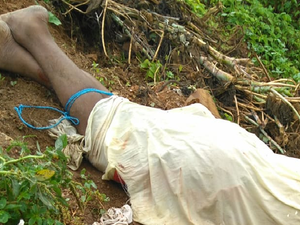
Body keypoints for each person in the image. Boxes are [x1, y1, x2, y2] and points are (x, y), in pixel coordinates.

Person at [1, 5, 300, 225]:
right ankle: (34, 32)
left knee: (121, 115)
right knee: (110, 131)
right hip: (217, 178)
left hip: (239, 157)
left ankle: (20, 55)